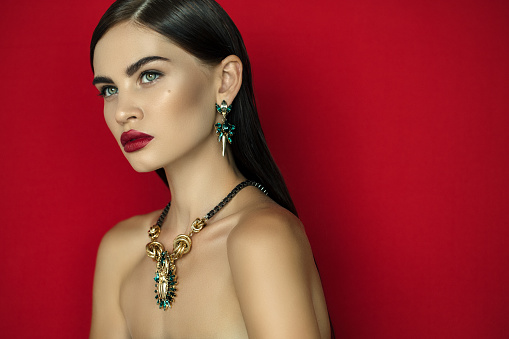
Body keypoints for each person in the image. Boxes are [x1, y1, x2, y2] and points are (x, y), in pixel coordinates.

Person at [89, 0, 332, 338]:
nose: (122, 112)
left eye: (149, 75)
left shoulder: (260, 239)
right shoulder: (120, 250)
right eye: (110, 89)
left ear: (225, 81)